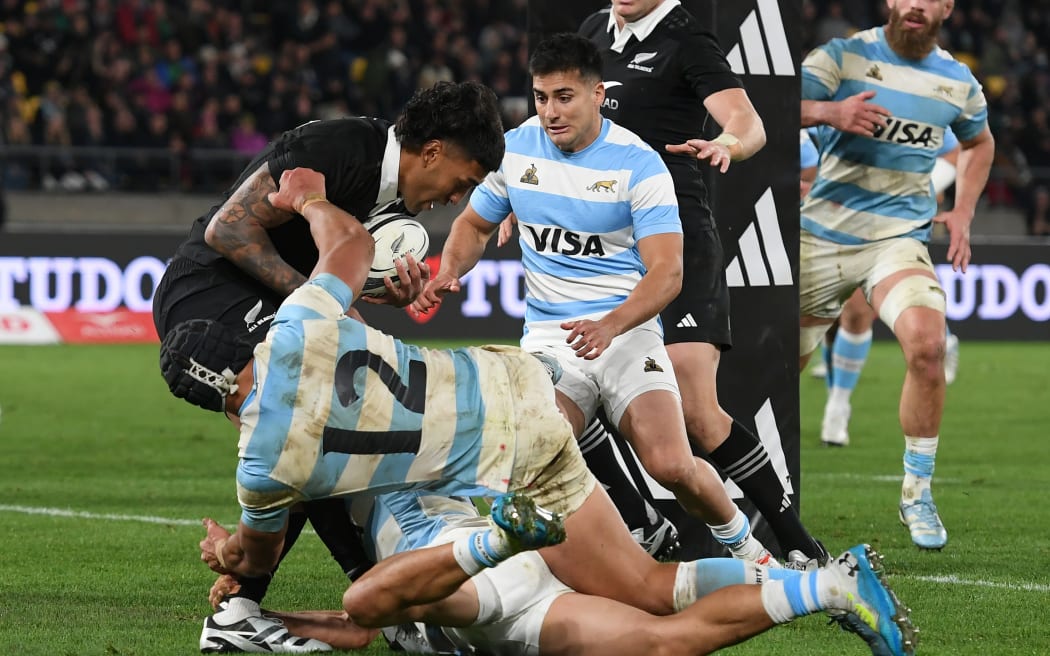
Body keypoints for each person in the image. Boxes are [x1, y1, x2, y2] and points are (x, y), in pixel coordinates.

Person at [169, 166, 915, 656]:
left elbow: (268, 565)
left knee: (378, 600)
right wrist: (307, 198)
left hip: (483, 533)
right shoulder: (306, 322)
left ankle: (811, 581)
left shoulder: (266, 463)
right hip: (522, 406)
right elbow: (352, 245)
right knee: (650, 586)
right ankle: (821, 581)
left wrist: (230, 558)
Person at [152, 80, 506, 652]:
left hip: (268, 302)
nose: (455, 199)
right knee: (313, 413)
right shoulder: (342, 146)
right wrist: (320, 307)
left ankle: (378, 603)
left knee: (335, 424)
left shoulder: (391, 200)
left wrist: (370, 295)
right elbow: (229, 228)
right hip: (208, 293)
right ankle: (244, 609)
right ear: (433, 151)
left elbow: (331, 264)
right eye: (461, 182)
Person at [414, 33, 777, 566]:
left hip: (626, 333)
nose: (550, 111)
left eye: (564, 97)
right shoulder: (516, 150)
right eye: (540, 97)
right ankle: (629, 537)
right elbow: (472, 223)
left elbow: (668, 273)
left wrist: (611, 325)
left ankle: (752, 553)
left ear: (597, 94)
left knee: (671, 463)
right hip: (550, 340)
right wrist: (450, 271)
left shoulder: (639, 163)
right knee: (535, 446)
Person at [571, 0, 829, 565]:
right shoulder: (594, 30)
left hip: (676, 237)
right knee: (567, 382)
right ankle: (643, 522)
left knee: (695, 410)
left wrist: (725, 145)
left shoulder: (687, 40)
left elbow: (749, 124)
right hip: (603, 244)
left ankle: (799, 545)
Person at [210, 489, 917, 656]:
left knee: (371, 602)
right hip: (522, 536)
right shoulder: (405, 408)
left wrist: (248, 598)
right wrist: (245, 587)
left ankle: (491, 543)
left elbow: (357, 623)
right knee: (657, 599)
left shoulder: (323, 461)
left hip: (489, 588)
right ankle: (828, 583)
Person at [800, 0, 995, 549]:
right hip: (818, 236)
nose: (916, 4)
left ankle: (917, 491)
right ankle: (742, 490)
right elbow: (763, 106)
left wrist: (963, 211)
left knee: (929, 345)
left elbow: (980, 143)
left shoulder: (958, 82)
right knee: (774, 373)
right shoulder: (842, 57)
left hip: (897, 240)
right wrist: (828, 113)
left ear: (948, 8)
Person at [817, 129, 964, 447]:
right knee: (826, 317)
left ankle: (837, 405)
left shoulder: (922, 96)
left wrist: (913, 190)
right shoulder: (828, 97)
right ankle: (944, 337)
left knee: (857, 312)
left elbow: (956, 150)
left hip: (890, 225)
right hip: (825, 221)